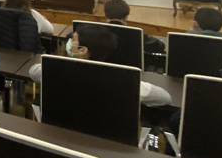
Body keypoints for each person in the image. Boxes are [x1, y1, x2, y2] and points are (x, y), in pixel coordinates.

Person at [29, 23, 170, 106]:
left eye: (74, 39)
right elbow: (164, 98)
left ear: (83, 50)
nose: (70, 41)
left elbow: (34, 72)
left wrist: (62, 59)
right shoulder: (123, 79)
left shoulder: (56, 69)